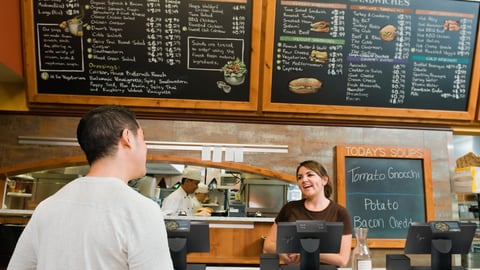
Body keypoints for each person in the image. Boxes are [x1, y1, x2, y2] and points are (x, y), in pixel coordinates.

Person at [7, 105, 173, 270]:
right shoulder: (142, 211)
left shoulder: (46, 207)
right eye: (143, 139)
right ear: (127, 138)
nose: (146, 147)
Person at [263, 160, 352, 267]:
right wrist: (284, 253)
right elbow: (268, 244)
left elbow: (342, 260)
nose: (304, 180)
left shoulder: (340, 213)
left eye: (310, 175)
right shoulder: (290, 208)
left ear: (324, 180)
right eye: (300, 177)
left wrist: (305, 252)